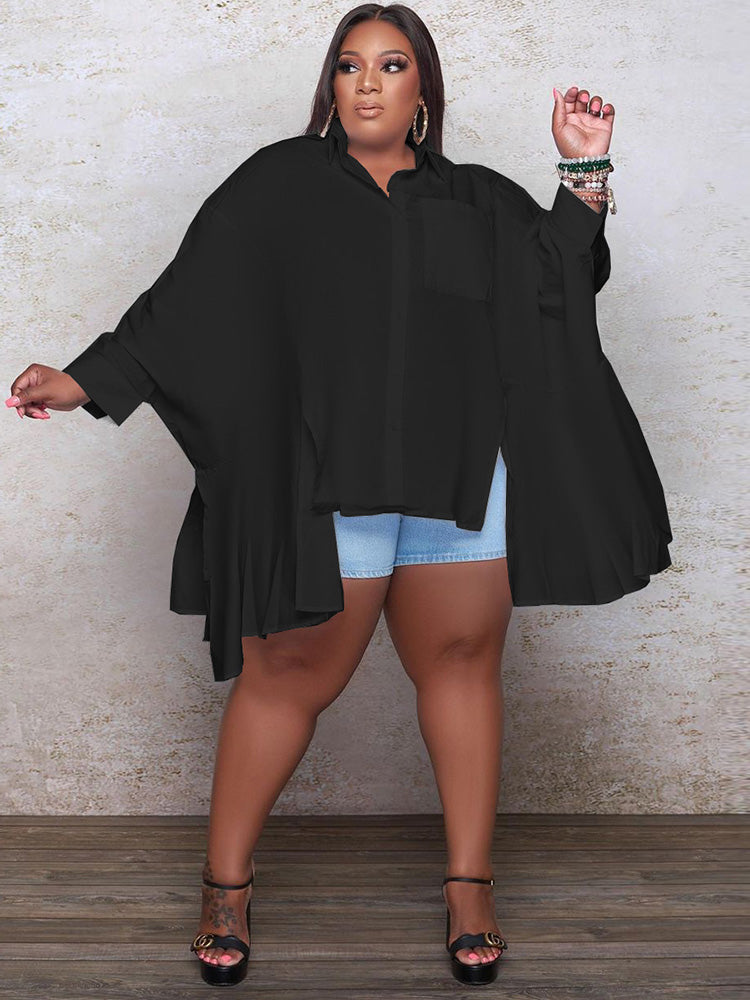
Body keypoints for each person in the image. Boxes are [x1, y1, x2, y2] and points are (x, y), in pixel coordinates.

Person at [7, 3, 672, 989]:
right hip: (327, 482)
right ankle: (225, 889)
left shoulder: (477, 200)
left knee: (462, 668)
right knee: (287, 675)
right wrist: (86, 379)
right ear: (330, 86)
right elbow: (189, 300)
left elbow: (559, 284)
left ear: (422, 90)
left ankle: (469, 887)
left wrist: (584, 170)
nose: (368, 83)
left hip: (458, 483)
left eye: (392, 65)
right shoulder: (278, 186)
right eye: (350, 66)